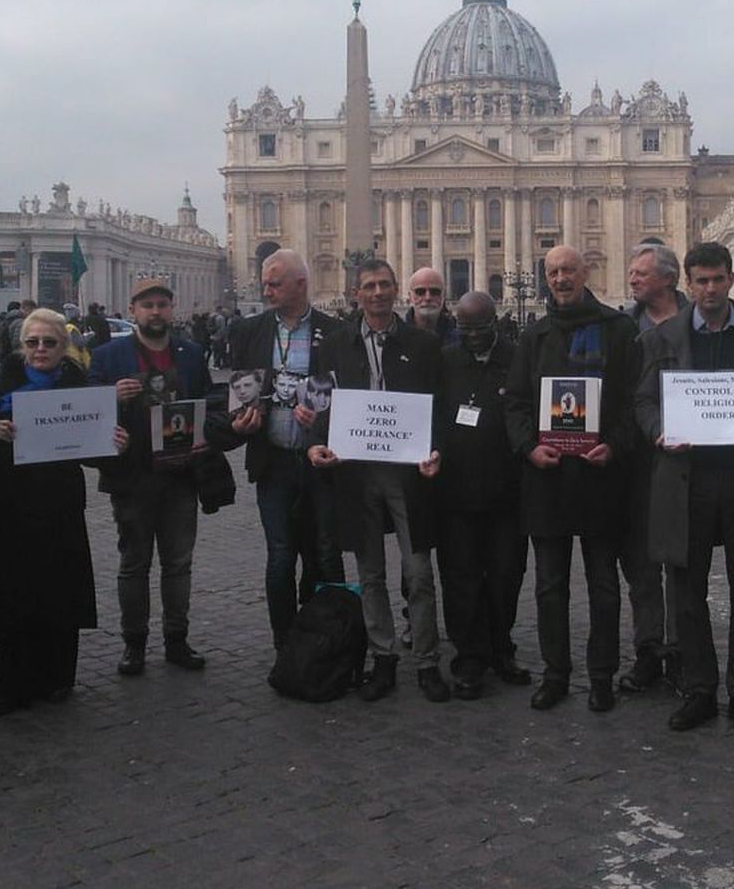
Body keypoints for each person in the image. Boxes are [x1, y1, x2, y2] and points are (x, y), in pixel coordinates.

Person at [634, 243, 734, 739]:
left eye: (718, 280)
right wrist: (658, 429)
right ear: (688, 282)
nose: (710, 289)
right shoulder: (659, 339)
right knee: (687, 593)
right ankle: (700, 689)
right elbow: (642, 402)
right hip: (686, 479)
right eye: (701, 280)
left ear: (731, 280)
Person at [503, 245, 641, 713]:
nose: (561, 278)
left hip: (601, 475)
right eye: (553, 272)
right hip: (548, 477)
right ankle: (555, 673)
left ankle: (601, 675)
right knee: (549, 585)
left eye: (569, 270)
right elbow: (517, 403)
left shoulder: (617, 330)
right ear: (545, 278)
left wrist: (616, 446)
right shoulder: (533, 336)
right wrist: (528, 447)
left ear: (586, 273)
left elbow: (630, 403)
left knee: (604, 584)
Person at [0, 309, 128, 717]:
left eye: (49, 342)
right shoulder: (1, 381)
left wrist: (113, 443)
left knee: (62, 588)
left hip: (60, 501)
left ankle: (58, 676)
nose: (40, 349)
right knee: (16, 591)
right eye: (32, 342)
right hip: (14, 500)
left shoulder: (79, 382)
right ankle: (10, 685)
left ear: (64, 346)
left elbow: (92, 452)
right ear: (21, 346)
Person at [306, 259, 448, 703]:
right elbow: (318, 403)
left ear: (396, 291)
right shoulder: (333, 345)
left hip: (408, 471)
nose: (378, 292)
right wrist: (313, 443)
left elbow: (438, 407)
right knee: (370, 572)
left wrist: (437, 449)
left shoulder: (423, 345)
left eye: (385, 284)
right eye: (369, 286)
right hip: (356, 470)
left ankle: (426, 660)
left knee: (419, 571)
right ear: (356, 294)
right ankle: (383, 657)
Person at [211, 249, 345, 651]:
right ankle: (284, 640)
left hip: (319, 462)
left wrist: (322, 422)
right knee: (281, 554)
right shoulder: (249, 331)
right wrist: (239, 422)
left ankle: (327, 635)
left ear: (301, 284)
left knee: (324, 551)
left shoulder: (334, 331)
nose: (266, 290)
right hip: (274, 460)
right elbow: (239, 393)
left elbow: (345, 396)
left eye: (274, 283)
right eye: (265, 283)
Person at [88, 276, 213, 675]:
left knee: (178, 563)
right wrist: (111, 397)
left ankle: (177, 639)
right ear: (133, 311)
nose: (155, 311)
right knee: (134, 563)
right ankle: (134, 643)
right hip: (133, 476)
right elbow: (86, 411)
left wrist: (206, 432)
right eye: (148, 305)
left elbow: (209, 401)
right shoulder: (108, 357)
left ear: (172, 309)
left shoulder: (191, 354)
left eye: (162, 304)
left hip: (180, 474)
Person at [433, 291, 531, 698]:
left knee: (507, 573)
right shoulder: (446, 360)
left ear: (496, 323)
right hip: (456, 489)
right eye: (464, 329)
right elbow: (434, 414)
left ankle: (500, 645)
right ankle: (469, 655)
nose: (472, 336)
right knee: (460, 576)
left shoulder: (518, 358)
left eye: (479, 329)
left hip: (508, 490)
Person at [619, 243, 683, 692]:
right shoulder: (624, 328)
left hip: (686, 459)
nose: (633, 279)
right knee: (640, 565)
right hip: (636, 459)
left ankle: (682, 650)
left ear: (668, 278)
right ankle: (648, 649)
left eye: (641, 273)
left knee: (681, 561)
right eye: (632, 273)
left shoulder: (700, 324)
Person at [404, 267, 459, 347]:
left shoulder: (460, 339)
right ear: (410, 297)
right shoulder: (395, 336)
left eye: (435, 292)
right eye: (420, 292)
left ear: (443, 296)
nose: (428, 298)